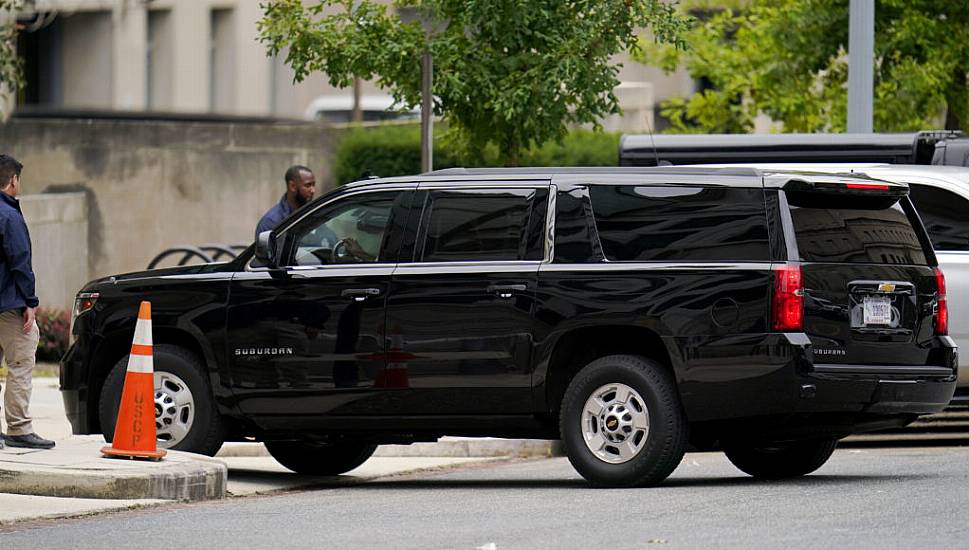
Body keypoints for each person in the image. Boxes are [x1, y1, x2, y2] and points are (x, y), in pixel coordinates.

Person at [0, 154, 54, 450]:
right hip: (9, 307)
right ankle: (19, 429)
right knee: (19, 365)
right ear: (13, 181)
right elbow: (21, 263)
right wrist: (30, 302)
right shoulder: (9, 216)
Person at [255, 165, 318, 240]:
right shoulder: (270, 222)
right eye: (308, 185)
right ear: (292, 186)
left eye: (313, 185)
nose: (313, 190)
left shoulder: (315, 214)